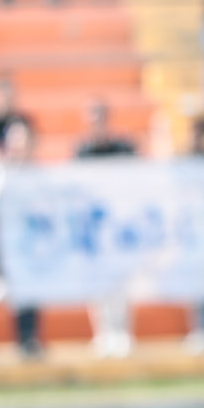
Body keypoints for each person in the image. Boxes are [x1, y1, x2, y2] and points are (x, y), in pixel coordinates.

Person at [73, 98, 137, 356]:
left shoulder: (123, 148)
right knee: (97, 283)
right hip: (94, 230)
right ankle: (103, 333)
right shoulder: (82, 151)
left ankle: (122, 332)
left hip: (119, 227)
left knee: (122, 281)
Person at [0, 118, 44, 356]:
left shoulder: (37, 173)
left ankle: (29, 338)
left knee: (31, 291)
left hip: (33, 244)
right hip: (5, 245)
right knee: (9, 291)